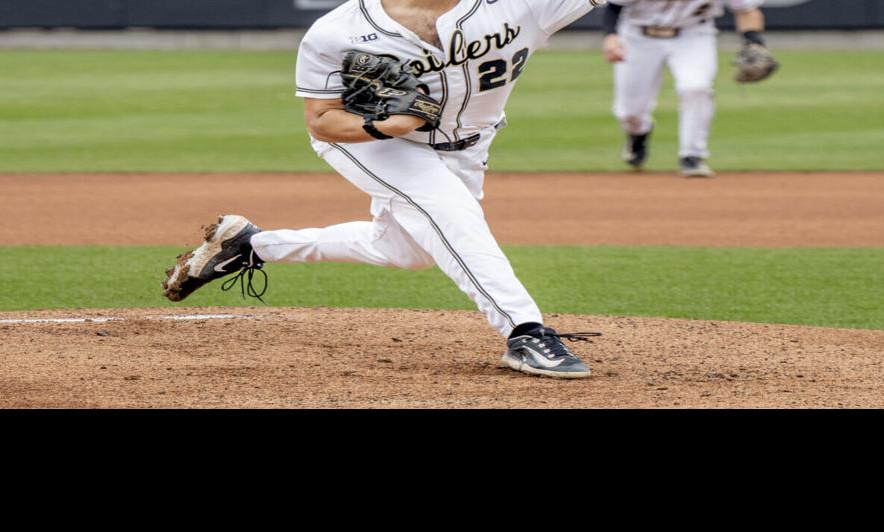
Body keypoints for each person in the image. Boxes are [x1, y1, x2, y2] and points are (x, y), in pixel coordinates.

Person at [162, 0, 605, 379]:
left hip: (471, 145)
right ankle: (525, 331)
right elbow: (321, 118)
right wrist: (382, 124)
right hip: (377, 144)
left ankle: (251, 245)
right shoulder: (338, 31)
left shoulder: (520, 6)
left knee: (407, 251)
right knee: (449, 211)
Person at [602, 0, 768, 177]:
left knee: (696, 87)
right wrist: (611, 36)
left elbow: (747, 9)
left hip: (694, 35)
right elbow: (614, 5)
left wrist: (754, 41)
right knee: (629, 112)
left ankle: (693, 156)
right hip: (637, 36)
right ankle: (638, 133)